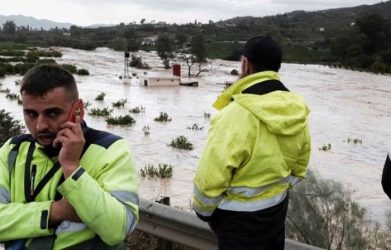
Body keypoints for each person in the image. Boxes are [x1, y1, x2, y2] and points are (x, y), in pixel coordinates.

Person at [0, 65, 139, 249]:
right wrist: (55, 211)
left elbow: (117, 229)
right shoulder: (13, 150)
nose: (40, 126)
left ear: (78, 110)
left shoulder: (111, 149)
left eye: (53, 113)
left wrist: (72, 168)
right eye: (31, 114)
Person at [193, 36, 311, 250]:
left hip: (237, 224)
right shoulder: (297, 109)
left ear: (246, 64)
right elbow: (300, 167)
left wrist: (206, 214)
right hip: (276, 215)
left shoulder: (234, 114)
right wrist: (275, 192)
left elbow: (209, 180)